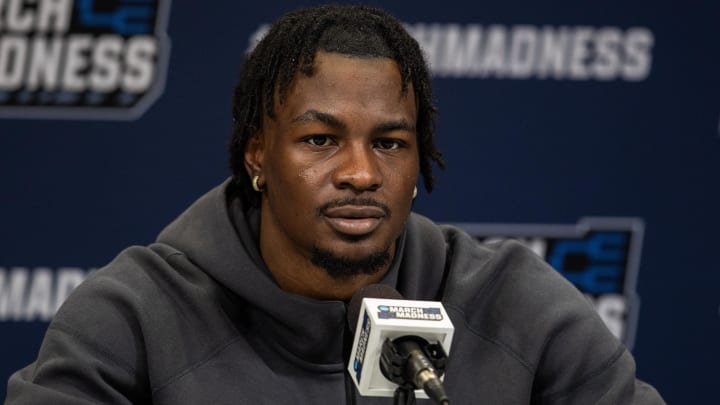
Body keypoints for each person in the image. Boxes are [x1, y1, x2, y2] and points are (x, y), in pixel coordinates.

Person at [5, 4, 665, 404]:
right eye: (320, 139)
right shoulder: (134, 317)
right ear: (257, 156)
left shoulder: (517, 306)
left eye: (389, 142)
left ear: (418, 162)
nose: (359, 171)